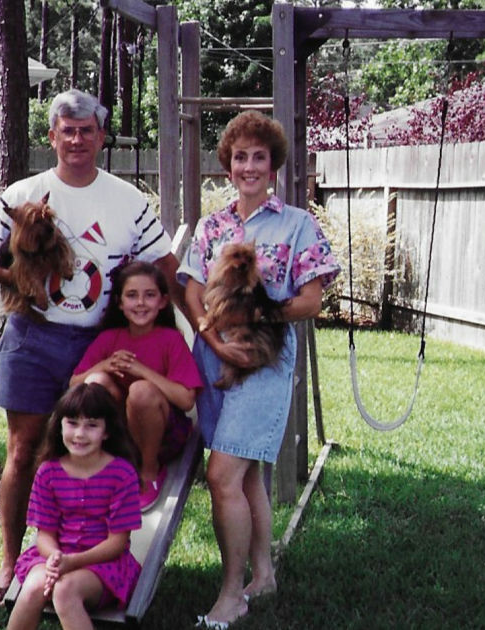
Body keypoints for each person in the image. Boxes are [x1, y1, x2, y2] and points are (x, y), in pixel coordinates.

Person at [0, 89, 179, 604]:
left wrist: (188, 327)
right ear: (52, 135)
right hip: (32, 339)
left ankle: (90, 563)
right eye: (68, 130)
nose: (77, 139)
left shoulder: (128, 200)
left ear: (101, 137)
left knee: (88, 454)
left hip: (98, 342)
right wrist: (15, 277)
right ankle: (12, 565)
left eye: (87, 131)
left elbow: (167, 270)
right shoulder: (25, 193)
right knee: (24, 452)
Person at [177, 110, 340, 628]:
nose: (249, 166)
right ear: (228, 165)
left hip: (264, 361)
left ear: (274, 167)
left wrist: (253, 317)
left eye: (259, 157)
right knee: (247, 478)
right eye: (240, 157)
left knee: (222, 474)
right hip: (215, 356)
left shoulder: (297, 224)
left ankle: (231, 595)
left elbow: (310, 302)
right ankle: (263, 574)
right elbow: (191, 287)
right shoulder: (212, 226)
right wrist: (211, 335)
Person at [6, 382, 143, 630]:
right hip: (55, 557)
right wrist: (56, 558)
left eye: (91, 425)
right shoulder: (48, 473)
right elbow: (44, 535)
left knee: (64, 590)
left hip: (104, 565)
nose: (80, 434)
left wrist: (73, 563)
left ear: (107, 432)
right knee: (33, 586)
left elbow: (117, 543)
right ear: (59, 426)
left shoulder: (122, 474)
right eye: (72, 423)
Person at [70, 261, 202, 511]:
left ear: (163, 301)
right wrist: (105, 365)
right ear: (120, 303)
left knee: (141, 391)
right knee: (95, 383)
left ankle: (148, 472)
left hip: (163, 436)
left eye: (149, 295)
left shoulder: (171, 339)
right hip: (122, 436)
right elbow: (75, 383)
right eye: (132, 295)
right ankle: (103, 466)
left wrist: (141, 371)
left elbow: (186, 400)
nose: (140, 303)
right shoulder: (110, 338)